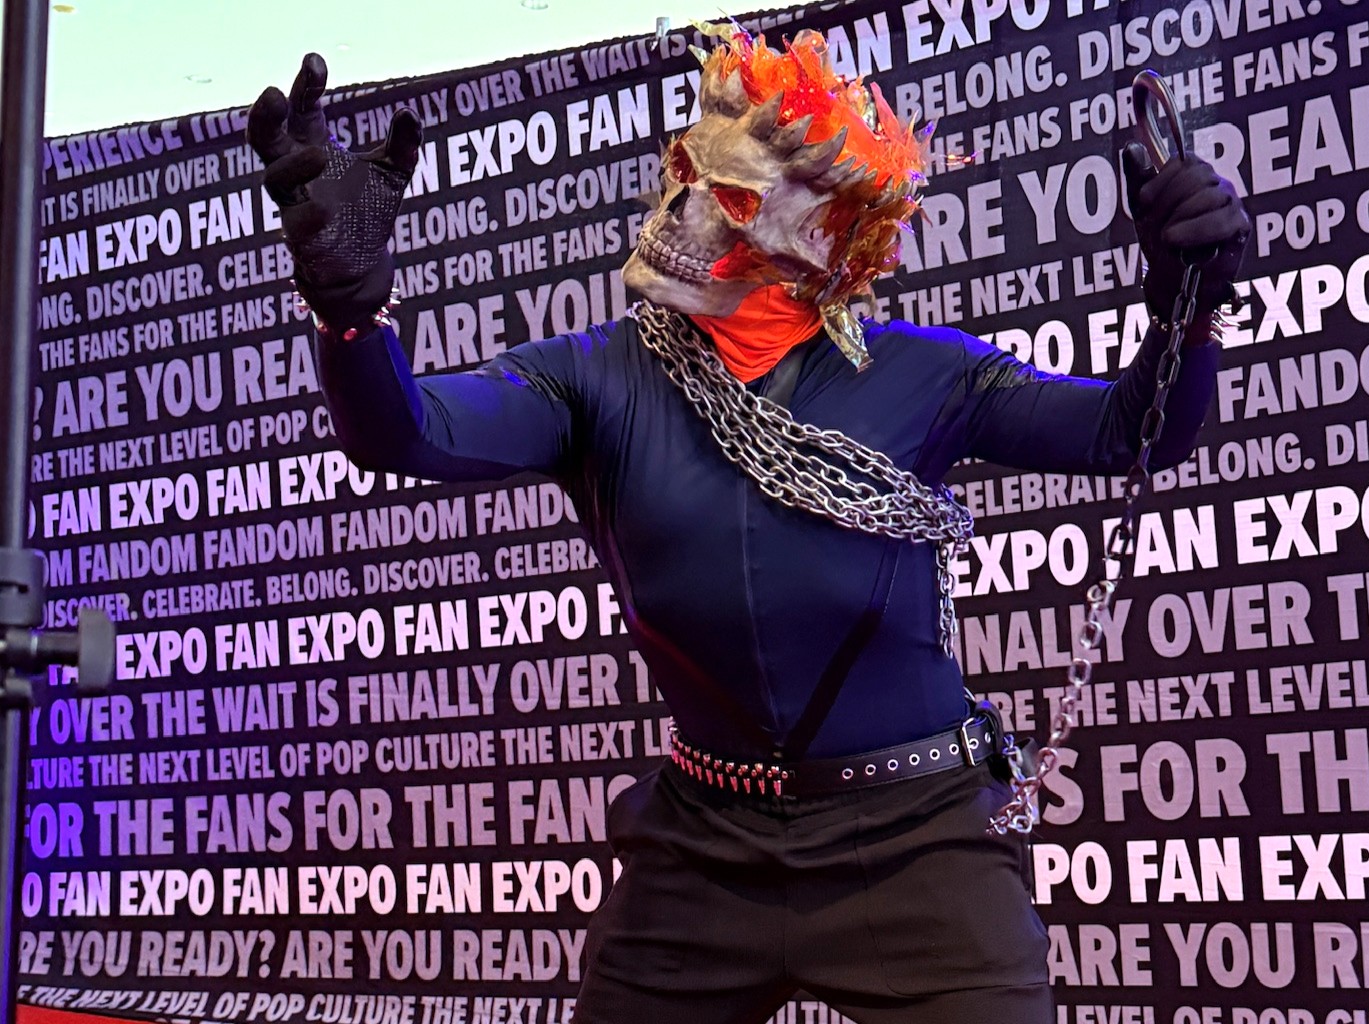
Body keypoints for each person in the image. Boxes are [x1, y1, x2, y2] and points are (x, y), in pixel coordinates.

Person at [248, 31, 1248, 1024]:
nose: (681, 210)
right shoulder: (594, 377)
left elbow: (1133, 433)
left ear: (823, 235)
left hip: (916, 849)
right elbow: (405, 433)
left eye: (728, 196)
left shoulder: (925, 375)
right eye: (685, 172)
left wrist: (1184, 308)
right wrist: (348, 312)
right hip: (702, 851)